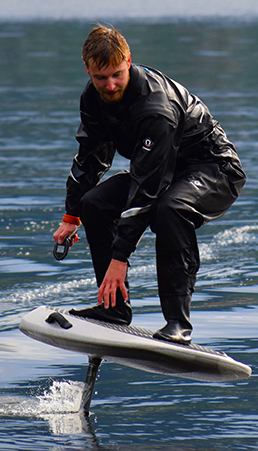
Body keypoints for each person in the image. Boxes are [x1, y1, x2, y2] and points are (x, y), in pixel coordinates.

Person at [53, 26, 246, 345]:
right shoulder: (93, 97)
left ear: (128, 61)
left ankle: (178, 324)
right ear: (88, 70)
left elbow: (148, 189)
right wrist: (72, 216)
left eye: (117, 74)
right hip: (163, 170)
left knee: (171, 210)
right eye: (101, 78)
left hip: (213, 168)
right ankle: (113, 309)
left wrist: (120, 258)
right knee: (94, 204)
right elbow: (90, 158)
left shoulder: (156, 107)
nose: (110, 85)